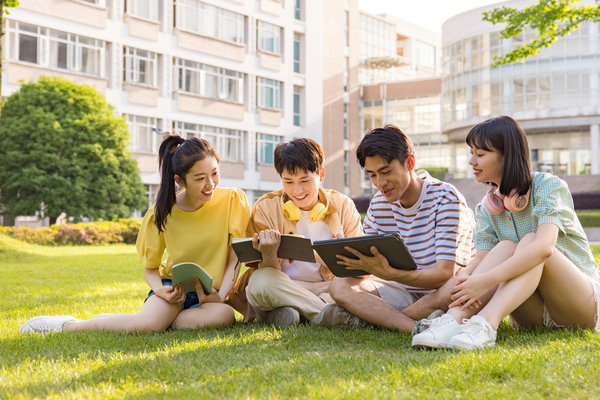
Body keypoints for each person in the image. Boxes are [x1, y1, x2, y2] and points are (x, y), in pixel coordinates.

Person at [19, 135, 249, 334]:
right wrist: (160, 290)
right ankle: (71, 325)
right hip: (174, 289)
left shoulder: (231, 200)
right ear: (180, 180)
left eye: (214, 173)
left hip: (212, 296)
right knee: (143, 328)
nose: (210, 184)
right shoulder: (161, 212)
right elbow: (151, 268)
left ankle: (158, 320)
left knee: (224, 316)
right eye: (200, 179)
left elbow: (235, 258)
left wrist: (220, 296)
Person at [411, 115, 600, 350]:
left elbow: (544, 248)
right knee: (504, 247)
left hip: (578, 305)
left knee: (531, 241)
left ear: (506, 156)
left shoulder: (547, 186)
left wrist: (485, 280)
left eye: (480, 154)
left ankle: (486, 325)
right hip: (532, 315)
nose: (472, 161)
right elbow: (482, 258)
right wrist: (466, 281)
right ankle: (453, 320)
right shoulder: (486, 207)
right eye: (471, 154)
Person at [316, 125, 475, 331]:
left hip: (441, 292)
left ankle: (376, 320)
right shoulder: (379, 204)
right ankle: (414, 327)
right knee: (339, 285)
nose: (380, 183)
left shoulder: (445, 198)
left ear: (409, 163)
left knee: (457, 285)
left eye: (386, 172)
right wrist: (352, 258)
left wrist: (390, 274)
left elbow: (444, 275)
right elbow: (368, 272)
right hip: (400, 290)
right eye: (372, 175)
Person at [239, 138, 363, 327]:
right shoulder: (266, 206)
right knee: (259, 282)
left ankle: (290, 313)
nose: (297, 190)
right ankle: (324, 314)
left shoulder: (343, 205)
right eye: (288, 181)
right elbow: (264, 272)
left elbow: (359, 269)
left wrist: (319, 255)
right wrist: (269, 253)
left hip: (328, 287)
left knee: (359, 287)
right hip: (284, 286)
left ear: (321, 174)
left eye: (304, 181)